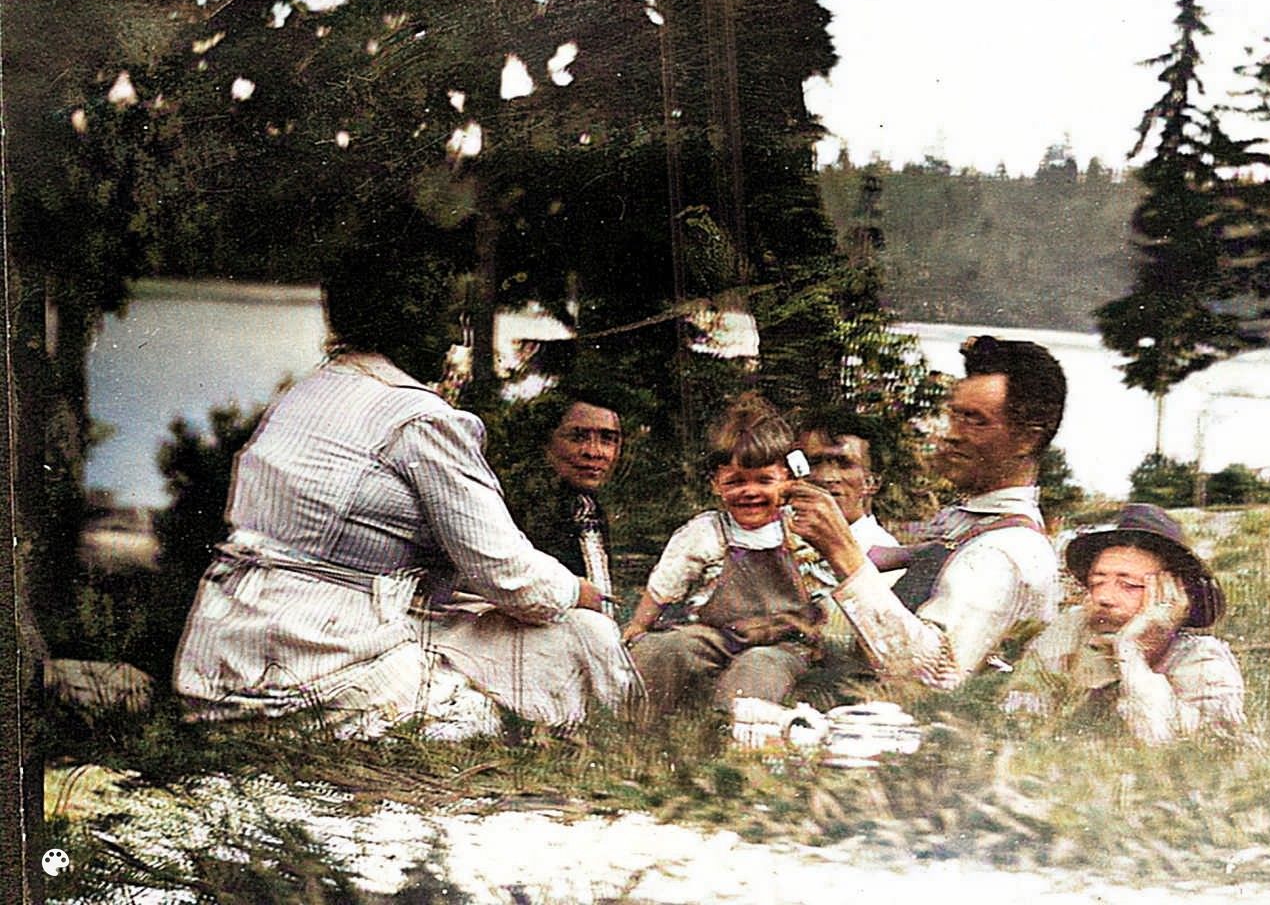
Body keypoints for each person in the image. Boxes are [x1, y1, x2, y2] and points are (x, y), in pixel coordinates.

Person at [171, 235, 638, 738]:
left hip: (218, 667)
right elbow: (507, 573)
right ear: (405, 321)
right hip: (316, 668)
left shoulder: (306, 396)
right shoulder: (420, 420)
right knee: (577, 638)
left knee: (491, 637)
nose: (456, 340)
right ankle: (618, 745)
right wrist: (580, 591)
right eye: (446, 319)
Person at [786, 336, 1067, 690]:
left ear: (1027, 439)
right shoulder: (971, 525)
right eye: (954, 415)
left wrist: (841, 551)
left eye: (975, 421)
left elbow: (932, 676)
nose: (950, 434)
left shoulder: (1001, 552)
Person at [621, 393, 822, 714]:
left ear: (787, 478)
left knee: (757, 670)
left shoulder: (799, 527)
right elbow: (666, 583)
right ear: (716, 483)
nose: (749, 491)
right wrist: (639, 625)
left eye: (764, 480)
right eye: (735, 481)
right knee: (664, 650)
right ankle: (635, 727)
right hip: (717, 636)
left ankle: (732, 742)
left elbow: (842, 568)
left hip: (782, 641)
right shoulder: (707, 531)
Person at [1009, 503, 1245, 744]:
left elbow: (1174, 749)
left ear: (1171, 594)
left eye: (1129, 585)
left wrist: (1131, 653)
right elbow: (1017, 723)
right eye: (1097, 582)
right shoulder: (1071, 631)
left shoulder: (1203, 660)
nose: (1104, 598)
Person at [508, 386, 626, 616]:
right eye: (578, 437)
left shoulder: (590, 507)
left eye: (607, 439)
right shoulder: (518, 510)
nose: (594, 452)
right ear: (546, 443)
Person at [796, 412, 899, 552]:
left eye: (844, 464)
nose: (825, 477)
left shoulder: (884, 554)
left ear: (872, 482)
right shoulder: (784, 541)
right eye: (813, 463)